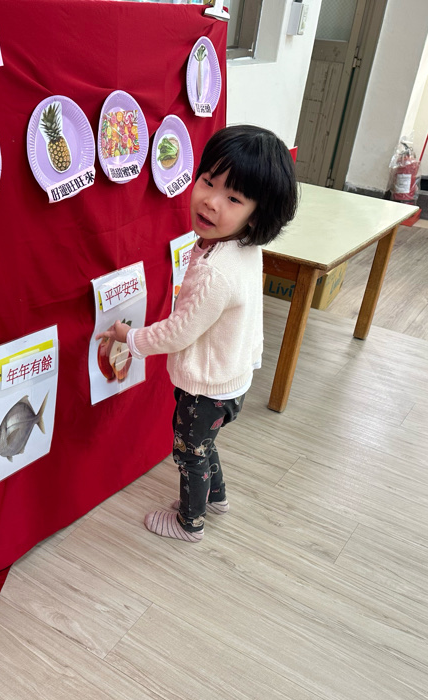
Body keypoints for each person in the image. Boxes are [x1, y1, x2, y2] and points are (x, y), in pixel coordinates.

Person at [97, 125, 298, 542]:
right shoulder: (243, 247)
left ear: (256, 215)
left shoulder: (214, 272)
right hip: (233, 377)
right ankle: (216, 497)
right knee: (206, 444)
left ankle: (190, 523)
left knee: (190, 455)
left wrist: (130, 338)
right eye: (208, 181)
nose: (210, 200)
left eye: (233, 198)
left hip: (206, 389)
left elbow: (177, 333)